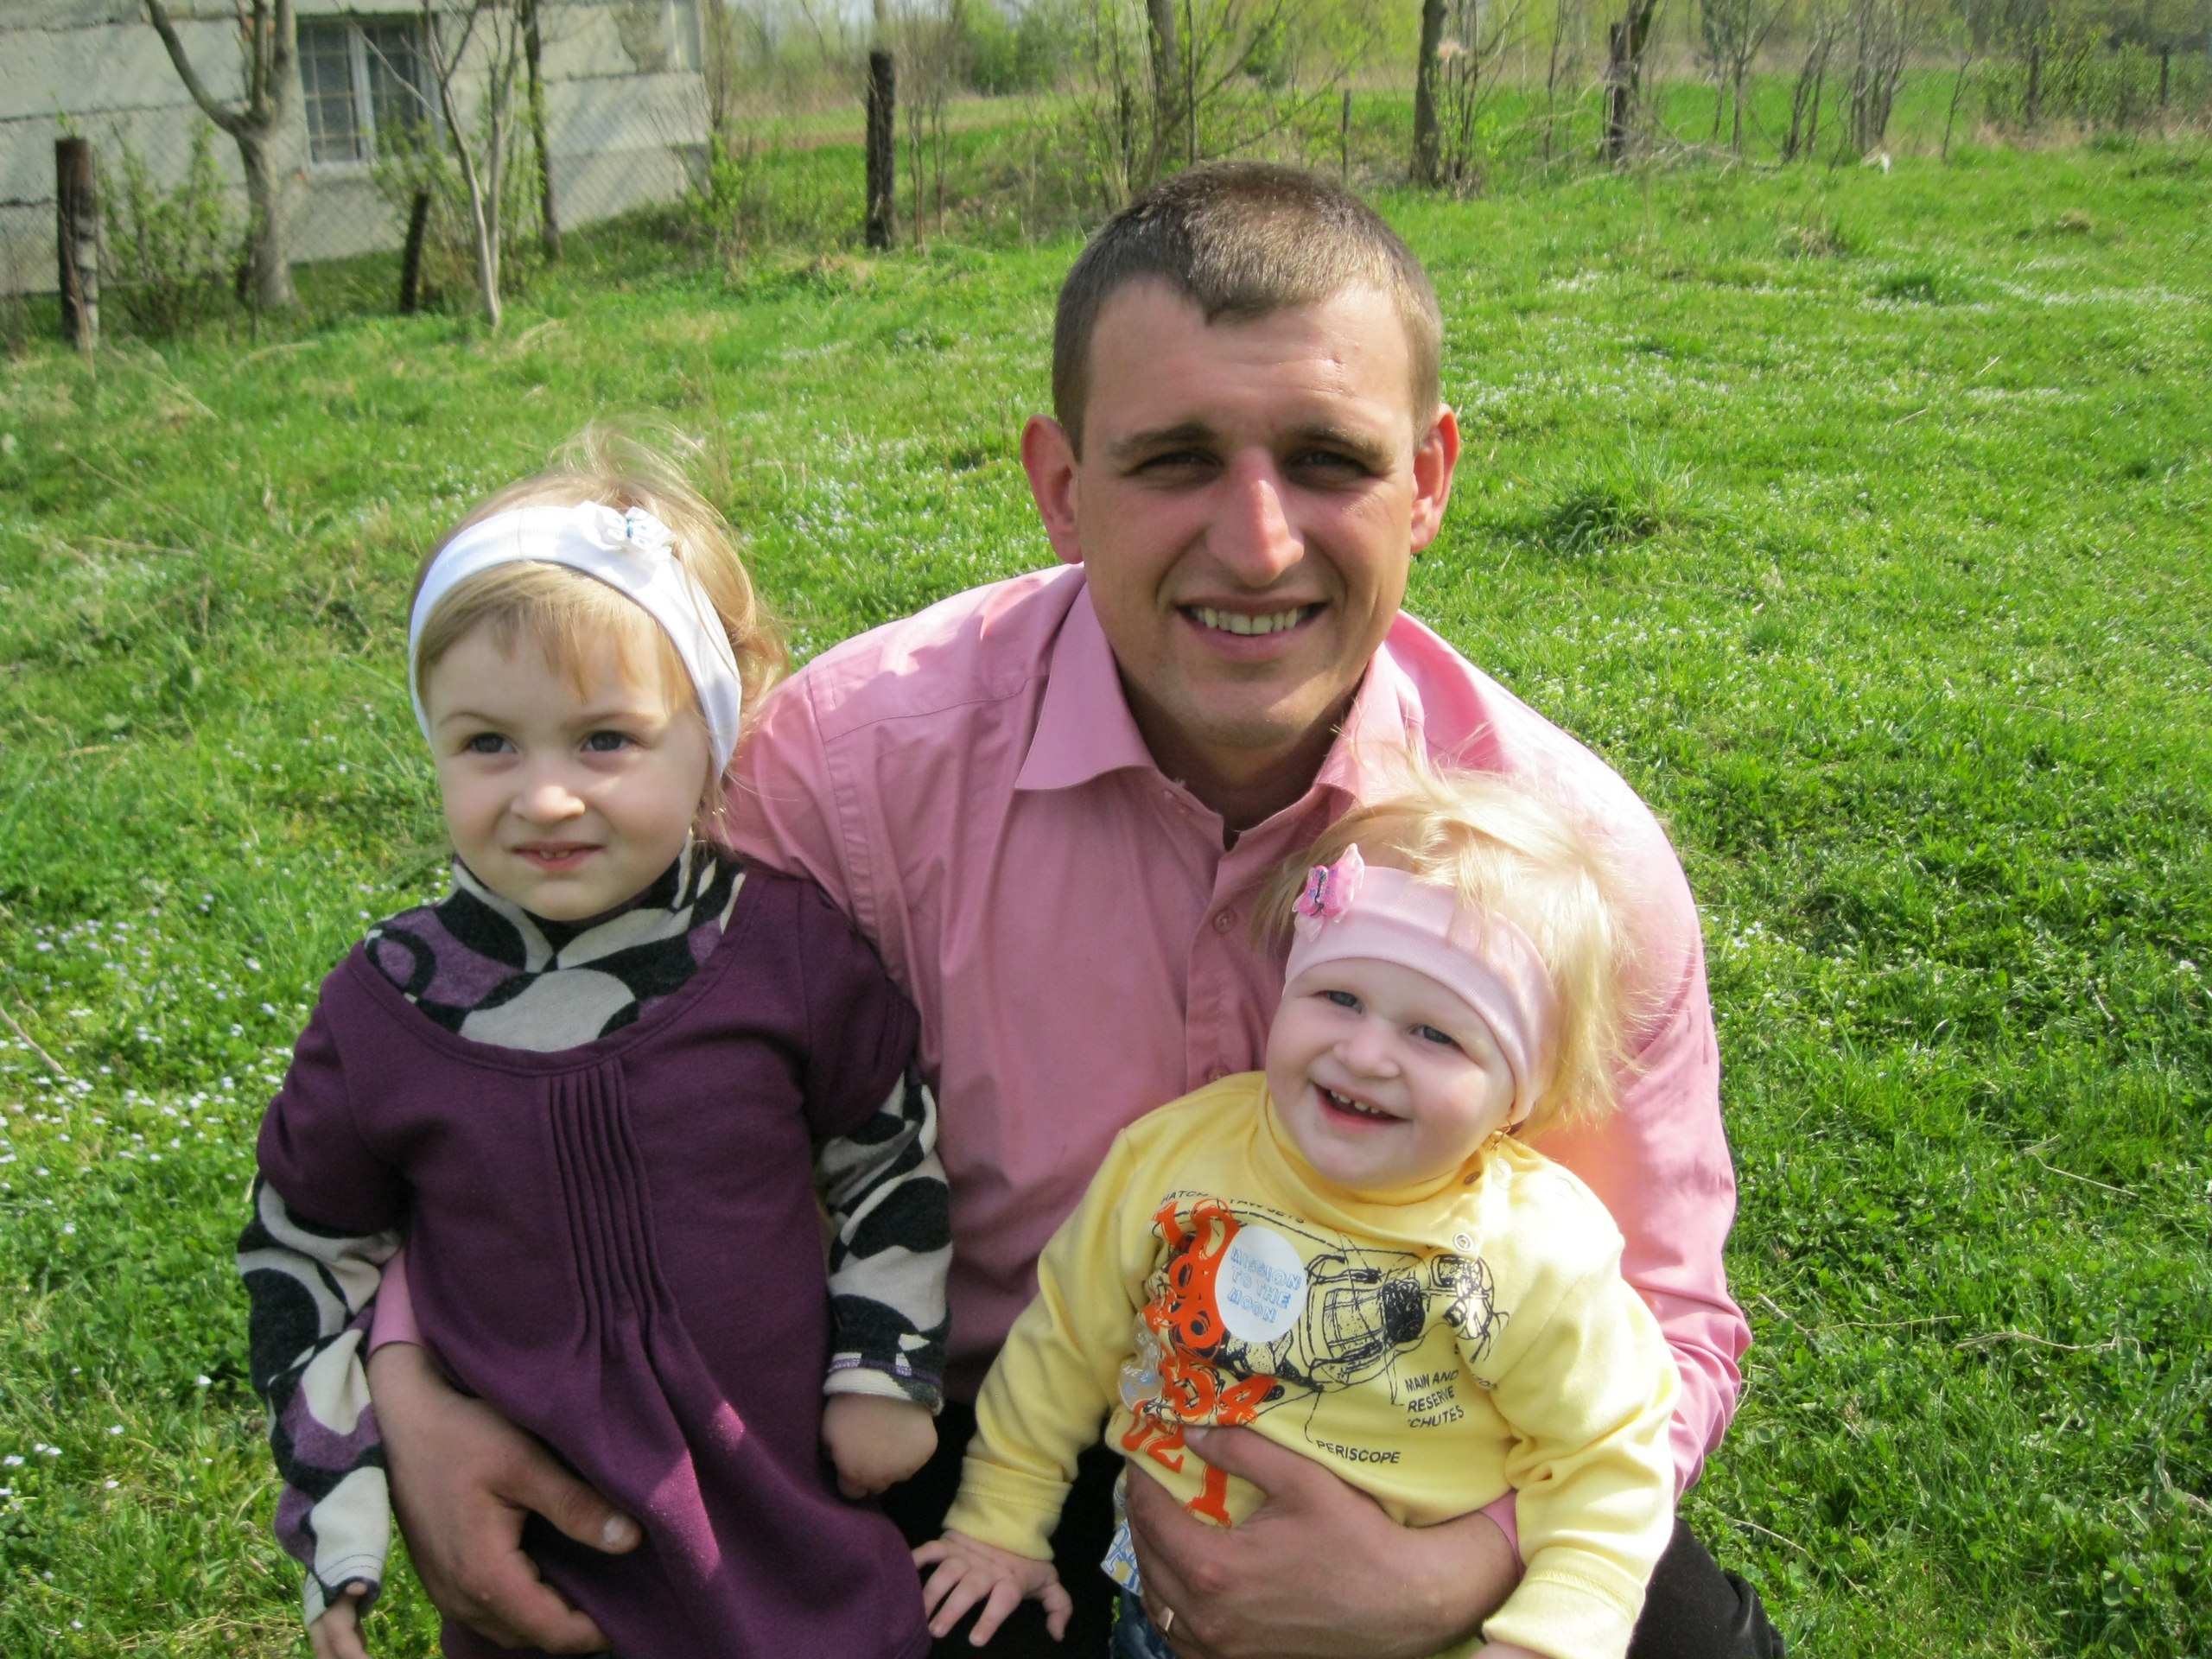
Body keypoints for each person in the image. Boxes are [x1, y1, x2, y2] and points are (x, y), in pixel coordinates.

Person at [362, 163, 1783, 1657]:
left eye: (1327, 460)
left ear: (1426, 479)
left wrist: (1456, 1576)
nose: (1258, 543)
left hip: (1410, 1454)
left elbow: (1668, 1317)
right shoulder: (854, 774)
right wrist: (416, 1378)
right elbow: (573, 1060)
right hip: (960, 1431)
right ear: (1060, 486)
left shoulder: (1567, 862)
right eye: (1175, 460)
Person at [238, 432, 950, 1659]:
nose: (546, 796)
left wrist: (885, 1368)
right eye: (488, 744)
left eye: (605, 740)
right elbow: (306, 1256)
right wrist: (339, 1519)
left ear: (708, 737)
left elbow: (888, 1155)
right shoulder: (386, 1010)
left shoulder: (781, 952)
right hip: (552, 1594)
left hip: (803, 1554)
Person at [914, 768, 1680, 1659]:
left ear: (1518, 1093)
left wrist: (1547, 1641)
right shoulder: (1176, 1156)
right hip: (1161, 1608)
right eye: (1339, 998)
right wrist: (999, 1524)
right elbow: (1065, 1344)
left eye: (1436, 1034)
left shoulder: (1534, 1252)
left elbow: (1605, 1462)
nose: (1366, 1053)